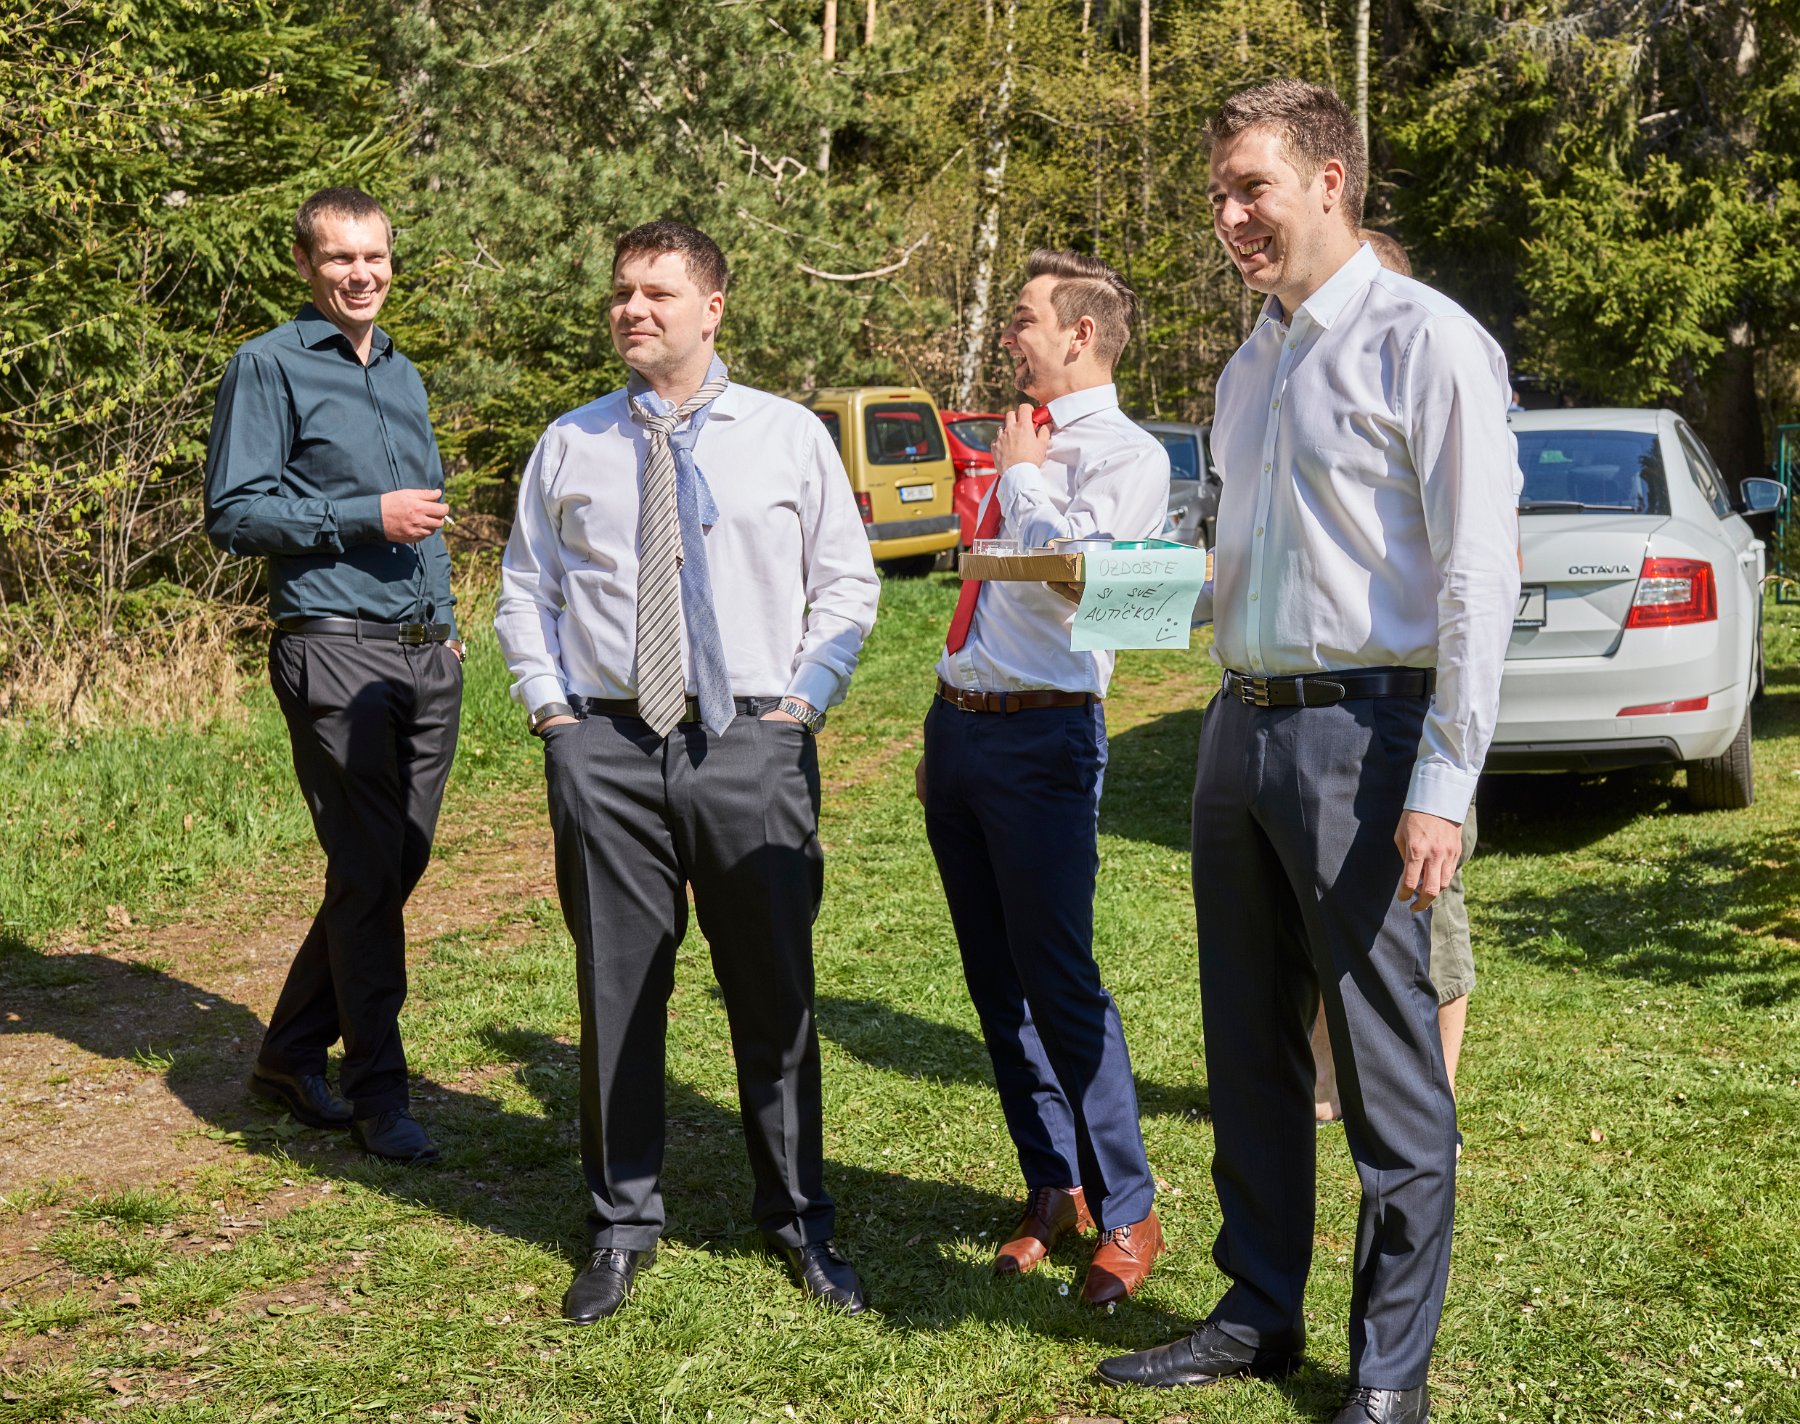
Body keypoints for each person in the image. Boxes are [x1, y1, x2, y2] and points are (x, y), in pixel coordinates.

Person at [1097, 82, 1520, 1424]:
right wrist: (1087, 590)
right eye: (1218, 195)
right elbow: (1238, 571)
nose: (1229, 217)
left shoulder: (1426, 342)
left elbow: (1479, 580)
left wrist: (1443, 783)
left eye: (1251, 189)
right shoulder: (1249, 367)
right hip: (1240, 731)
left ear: (1329, 180)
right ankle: (1257, 1312)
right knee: (1248, 1048)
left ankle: (1388, 1374)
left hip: (1369, 736)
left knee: (1390, 1074)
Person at [494, 220, 881, 1325]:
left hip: (752, 739)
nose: (633, 308)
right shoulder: (571, 441)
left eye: (658, 292)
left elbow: (846, 583)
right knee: (617, 990)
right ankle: (621, 1225)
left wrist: (801, 703)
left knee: (774, 989)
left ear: (713, 308)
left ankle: (801, 1219)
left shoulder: (787, 435)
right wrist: (553, 711)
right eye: (623, 291)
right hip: (606, 748)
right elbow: (526, 586)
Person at [917, 250, 1171, 1307]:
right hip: (962, 727)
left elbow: (1098, 595)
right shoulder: (1020, 435)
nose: (1008, 336)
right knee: (994, 981)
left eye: (1022, 318)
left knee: (1059, 979)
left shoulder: (1127, 455)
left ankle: (1130, 1208)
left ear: (1079, 333)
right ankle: (1052, 1183)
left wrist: (1023, 478)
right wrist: (943, 730)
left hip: (1047, 738)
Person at [204, 186, 462, 1166]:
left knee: (394, 864)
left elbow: (426, 513)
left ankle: (287, 1054)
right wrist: (363, 516)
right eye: (341, 258)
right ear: (307, 265)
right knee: (366, 867)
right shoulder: (268, 364)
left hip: (424, 653)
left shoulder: (402, 370)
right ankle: (378, 1094)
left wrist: (446, 627)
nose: (362, 274)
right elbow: (234, 513)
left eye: (375, 257)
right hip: (333, 648)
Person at [1310, 229, 1477, 1121]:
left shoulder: (1432, 360)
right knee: (1329, 915)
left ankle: (1433, 1099)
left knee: (1429, 925)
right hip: (1329, 721)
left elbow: (1480, 581)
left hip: (1413, 713)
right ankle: (1329, 1078)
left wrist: (1445, 768)